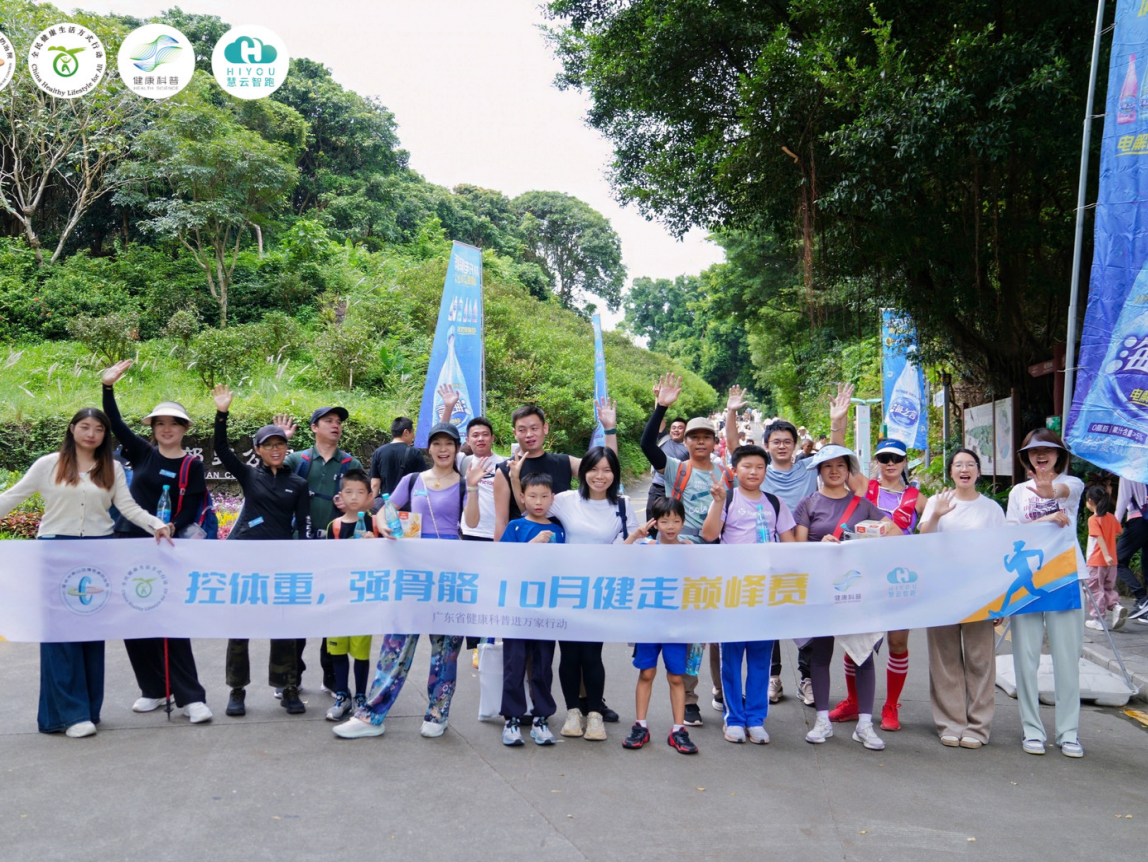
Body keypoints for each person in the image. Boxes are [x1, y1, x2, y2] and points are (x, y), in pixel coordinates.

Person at [0, 408, 174, 737]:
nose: (91, 433)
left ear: (105, 435)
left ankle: (84, 711)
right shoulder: (48, 464)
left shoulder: (112, 467)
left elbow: (128, 507)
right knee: (59, 636)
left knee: (91, 633)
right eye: (84, 427)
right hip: (55, 553)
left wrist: (156, 524)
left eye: (98, 429)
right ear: (72, 429)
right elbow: (12, 497)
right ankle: (71, 713)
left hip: (97, 554)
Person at [333, 423, 483, 739]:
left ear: (457, 449)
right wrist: (384, 525)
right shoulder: (412, 480)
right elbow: (385, 509)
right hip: (411, 572)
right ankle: (371, 716)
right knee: (396, 642)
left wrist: (471, 488)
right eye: (437, 443)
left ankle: (437, 714)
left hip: (449, 573)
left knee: (446, 649)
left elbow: (471, 523)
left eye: (449, 444)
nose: (443, 449)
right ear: (427, 448)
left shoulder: (461, 484)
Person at [100, 360, 212, 724]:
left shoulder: (191, 465)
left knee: (171, 622)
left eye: (173, 424)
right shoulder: (142, 453)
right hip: (127, 543)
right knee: (133, 620)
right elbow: (114, 424)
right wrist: (108, 387)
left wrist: (172, 527)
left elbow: (194, 504)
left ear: (183, 429)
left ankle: (190, 697)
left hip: (166, 547)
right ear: (154, 429)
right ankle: (153, 689)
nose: (166, 429)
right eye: (159, 424)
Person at [728, 384, 851, 707]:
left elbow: (837, 456)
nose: (782, 446)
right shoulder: (759, 471)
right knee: (770, 614)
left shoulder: (807, 469)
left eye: (787, 441)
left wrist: (839, 421)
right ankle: (773, 676)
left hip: (805, 553)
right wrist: (731, 413)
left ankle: (807, 678)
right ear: (766, 445)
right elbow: (732, 449)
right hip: (765, 555)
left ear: (796, 445)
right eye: (775, 441)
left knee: (805, 615)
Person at [641, 374, 735, 727]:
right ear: (688, 441)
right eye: (694, 436)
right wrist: (661, 406)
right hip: (676, 553)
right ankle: (690, 697)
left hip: (710, 554)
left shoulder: (727, 474)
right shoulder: (676, 468)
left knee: (709, 626)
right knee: (682, 623)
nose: (699, 441)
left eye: (705, 437)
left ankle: (720, 691)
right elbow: (647, 445)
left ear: (714, 442)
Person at [213, 385, 311, 718]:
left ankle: (288, 687)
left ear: (286, 448)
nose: (275, 449)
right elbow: (222, 449)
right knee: (240, 627)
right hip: (245, 561)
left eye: (280, 444)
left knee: (284, 627)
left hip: (282, 563)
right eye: (268, 445)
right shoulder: (249, 475)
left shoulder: (297, 484)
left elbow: (305, 524)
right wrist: (222, 413)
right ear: (257, 449)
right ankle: (237, 690)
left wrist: (308, 555)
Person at [793, 444, 895, 751]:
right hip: (822, 590)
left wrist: (878, 530)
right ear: (819, 472)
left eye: (840, 465)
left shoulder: (863, 506)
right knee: (821, 656)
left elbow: (895, 532)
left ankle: (865, 724)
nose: (834, 471)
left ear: (848, 470)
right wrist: (820, 545)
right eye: (827, 466)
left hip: (857, 592)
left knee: (862, 655)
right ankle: (822, 720)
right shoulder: (807, 503)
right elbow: (797, 548)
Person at [831, 437, 930, 732]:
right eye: (884, 459)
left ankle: (891, 705)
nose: (890, 464)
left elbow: (937, 529)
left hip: (901, 579)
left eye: (896, 459)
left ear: (904, 463)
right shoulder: (866, 488)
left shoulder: (917, 498)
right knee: (856, 643)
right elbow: (838, 461)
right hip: (865, 577)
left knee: (898, 643)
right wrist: (838, 424)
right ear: (876, 462)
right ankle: (853, 701)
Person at [702, 444, 795, 744]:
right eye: (747, 466)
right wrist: (717, 503)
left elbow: (792, 547)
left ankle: (755, 719)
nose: (753, 472)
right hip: (733, 592)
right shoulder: (727, 498)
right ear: (735, 469)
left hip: (764, 593)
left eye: (759, 467)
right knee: (731, 658)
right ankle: (734, 718)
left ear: (766, 471)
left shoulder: (776, 503)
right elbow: (709, 534)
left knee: (760, 659)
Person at [547, 447, 638, 742]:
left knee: (592, 654)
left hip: (600, 591)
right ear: (583, 471)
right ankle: (573, 711)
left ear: (615, 474)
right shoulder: (564, 500)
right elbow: (531, 514)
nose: (600, 476)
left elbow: (634, 545)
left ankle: (595, 714)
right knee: (569, 654)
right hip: (566, 589)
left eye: (607, 470)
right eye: (594, 469)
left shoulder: (622, 506)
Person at [1005, 428, 1085, 758]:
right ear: (1025, 457)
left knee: (1068, 659)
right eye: (1034, 451)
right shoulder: (1017, 493)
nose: (1041, 455)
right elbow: (1009, 533)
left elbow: (1062, 490)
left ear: (1058, 455)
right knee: (1025, 658)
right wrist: (1045, 520)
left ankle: (1069, 733)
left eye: (1048, 450)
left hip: (1064, 577)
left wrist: (1050, 488)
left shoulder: (1073, 484)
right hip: (1028, 581)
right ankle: (1032, 729)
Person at [918, 449, 1004, 749]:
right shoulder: (937, 502)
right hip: (942, 592)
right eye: (958, 465)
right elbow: (922, 541)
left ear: (978, 472)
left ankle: (978, 728)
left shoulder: (992, 509)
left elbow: (999, 555)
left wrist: (999, 599)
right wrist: (938, 514)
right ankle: (950, 723)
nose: (964, 469)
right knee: (945, 660)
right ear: (951, 472)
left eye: (970, 464)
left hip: (979, 594)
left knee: (981, 660)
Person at [279, 405, 362, 699]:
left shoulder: (351, 463)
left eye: (339, 422)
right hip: (299, 547)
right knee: (297, 613)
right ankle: (291, 676)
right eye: (329, 421)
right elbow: (269, 483)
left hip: (337, 551)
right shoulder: (296, 459)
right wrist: (282, 438)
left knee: (332, 613)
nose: (336, 426)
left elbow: (365, 503)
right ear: (314, 427)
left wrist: (352, 504)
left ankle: (331, 676)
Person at [621, 496, 699, 755]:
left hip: (677, 625)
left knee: (676, 677)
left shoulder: (689, 549)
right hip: (648, 623)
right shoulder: (645, 546)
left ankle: (678, 729)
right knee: (646, 673)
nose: (671, 526)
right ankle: (640, 725)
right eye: (664, 521)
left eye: (676, 520)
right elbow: (615, 559)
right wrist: (634, 536)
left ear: (683, 522)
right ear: (655, 523)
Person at [497, 473, 565, 747]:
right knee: (514, 664)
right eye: (532, 496)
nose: (538, 502)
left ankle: (541, 719)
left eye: (544, 496)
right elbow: (502, 561)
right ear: (522, 497)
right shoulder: (515, 527)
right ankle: (512, 719)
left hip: (546, 609)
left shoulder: (559, 529)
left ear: (552, 498)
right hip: (516, 608)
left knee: (542, 665)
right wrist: (532, 546)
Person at [493, 399, 618, 538]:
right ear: (515, 433)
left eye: (534, 428)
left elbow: (607, 466)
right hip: (524, 546)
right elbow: (501, 521)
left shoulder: (564, 462)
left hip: (562, 543)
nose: (529, 434)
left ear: (545, 428)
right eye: (522, 430)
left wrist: (609, 430)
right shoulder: (505, 470)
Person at [322, 469, 378, 722]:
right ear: (340, 496)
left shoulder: (374, 524)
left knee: (361, 652)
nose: (354, 497)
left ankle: (361, 697)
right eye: (348, 492)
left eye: (360, 492)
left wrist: (374, 544)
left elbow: (387, 559)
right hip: (338, 600)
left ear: (369, 495)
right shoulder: (333, 526)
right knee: (337, 650)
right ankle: (342, 695)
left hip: (363, 601)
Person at [1085, 485, 1124, 632]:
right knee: (1107, 587)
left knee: (1094, 589)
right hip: (1112, 561)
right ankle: (1116, 606)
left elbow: (1098, 537)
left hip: (1097, 560)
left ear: (1090, 501)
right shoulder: (1111, 518)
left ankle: (1098, 619)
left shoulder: (1093, 519)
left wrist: (1105, 554)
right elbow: (1119, 532)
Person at [369, 416, 425, 506]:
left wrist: (371, 506)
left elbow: (375, 484)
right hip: (408, 506)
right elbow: (422, 482)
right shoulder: (415, 453)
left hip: (386, 506)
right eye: (413, 432)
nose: (413, 436)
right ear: (406, 432)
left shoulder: (378, 452)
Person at [1114, 478, 1148, 622]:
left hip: (1138, 519)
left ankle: (1142, 598)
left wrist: (1115, 524)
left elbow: (1123, 498)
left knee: (1118, 560)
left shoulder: (1128, 469)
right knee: (1146, 564)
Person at [645, 415, 688, 511]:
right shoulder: (664, 439)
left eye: (680, 428)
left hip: (677, 489)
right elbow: (659, 419)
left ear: (685, 431)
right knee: (652, 518)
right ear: (670, 431)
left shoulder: (689, 446)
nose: (676, 430)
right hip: (658, 487)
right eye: (674, 428)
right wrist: (660, 403)